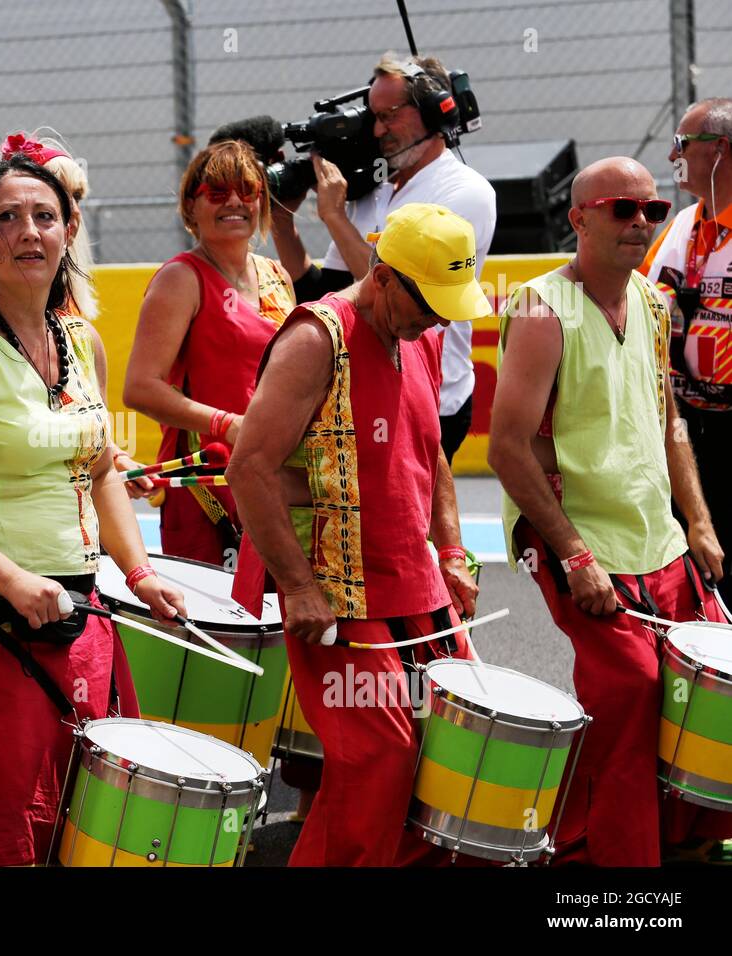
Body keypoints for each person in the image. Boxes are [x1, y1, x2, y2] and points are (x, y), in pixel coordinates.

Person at [0, 154, 184, 866]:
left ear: (69, 228)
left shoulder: (82, 341)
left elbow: (102, 468)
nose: (29, 231)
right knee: (15, 841)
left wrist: (139, 574)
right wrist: (14, 581)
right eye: (7, 219)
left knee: (95, 834)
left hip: (83, 615)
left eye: (44, 216)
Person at [489, 157, 730, 867]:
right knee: (631, 691)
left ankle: (651, 839)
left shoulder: (654, 303)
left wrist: (700, 522)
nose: (640, 223)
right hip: (577, 536)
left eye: (652, 211)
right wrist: (574, 555)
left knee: (697, 688)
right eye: (623, 208)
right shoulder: (540, 312)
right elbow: (507, 450)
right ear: (579, 218)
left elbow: (669, 423)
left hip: (656, 535)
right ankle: (618, 871)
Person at [228, 203, 485, 866]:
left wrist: (453, 553)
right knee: (379, 758)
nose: (443, 319)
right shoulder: (316, 339)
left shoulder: (419, 335)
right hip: (335, 587)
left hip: (416, 580)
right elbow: (249, 466)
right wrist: (299, 587)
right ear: (385, 277)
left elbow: (433, 459)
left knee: (450, 754)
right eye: (431, 301)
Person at [270, 54, 496, 464]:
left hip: (434, 397)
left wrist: (334, 216)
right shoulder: (376, 189)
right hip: (368, 390)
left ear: (432, 112)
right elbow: (328, 291)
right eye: (373, 117)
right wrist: (282, 221)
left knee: (409, 524)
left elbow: (400, 288)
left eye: (389, 116)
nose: (377, 130)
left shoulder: (466, 191)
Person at [125, 140, 295, 564]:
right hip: (207, 487)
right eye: (218, 193)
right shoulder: (181, 278)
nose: (235, 202)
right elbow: (140, 388)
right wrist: (226, 424)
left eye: (248, 191)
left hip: (278, 477)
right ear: (191, 207)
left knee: (287, 622)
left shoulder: (276, 275)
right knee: (218, 628)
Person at [0, 128, 152, 498]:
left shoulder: (68, 310)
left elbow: (73, 418)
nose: (75, 210)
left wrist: (111, 459)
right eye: (62, 196)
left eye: (76, 197)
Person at [643, 98, 732, 600]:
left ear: (720, 150)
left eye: (683, 143)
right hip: (682, 427)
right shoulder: (680, 226)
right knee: (692, 564)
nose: (673, 154)